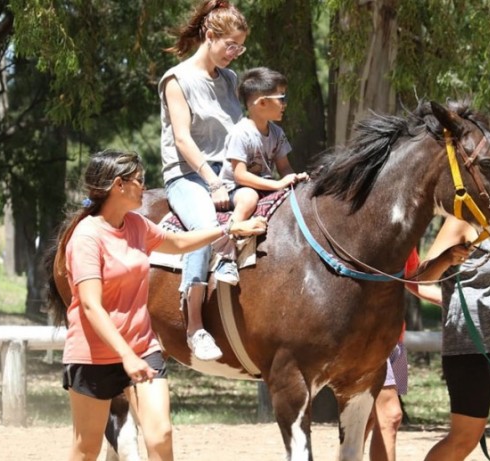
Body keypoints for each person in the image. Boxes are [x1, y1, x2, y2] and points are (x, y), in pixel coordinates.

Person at [54, 149, 265, 461]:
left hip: (142, 347)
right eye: (139, 180)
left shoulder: (136, 225)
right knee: (87, 449)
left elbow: (178, 243)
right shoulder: (86, 237)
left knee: (161, 435)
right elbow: (90, 307)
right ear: (118, 185)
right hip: (94, 354)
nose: (145, 186)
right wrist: (125, 356)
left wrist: (228, 230)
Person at [159, 0, 249, 360]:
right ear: (209, 36)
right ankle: (195, 325)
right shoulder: (176, 80)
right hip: (189, 175)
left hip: (228, 171)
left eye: (240, 48)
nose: (234, 54)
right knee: (205, 228)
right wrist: (213, 182)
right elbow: (183, 140)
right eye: (230, 45)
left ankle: (230, 263)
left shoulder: (230, 80)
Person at [415, 216, 490, 461]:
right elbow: (421, 278)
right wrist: (447, 259)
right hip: (470, 347)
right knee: (465, 438)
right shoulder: (460, 222)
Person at [211, 66, 307, 285]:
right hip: (236, 189)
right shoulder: (240, 133)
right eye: (282, 98)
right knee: (249, 197)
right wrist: (277, 185)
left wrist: (295, 179)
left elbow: (284, 167)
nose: (285, 104)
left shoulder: (277, 133)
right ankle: (226, 251)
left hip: (265, 185)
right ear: (262, 102)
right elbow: (240, 175)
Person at [366, 249, 441, 461]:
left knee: (369, 418)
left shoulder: (406, 238)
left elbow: (413, 279)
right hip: (371, 340)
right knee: (390, 415)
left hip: (395, 340)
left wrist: (456, 301)